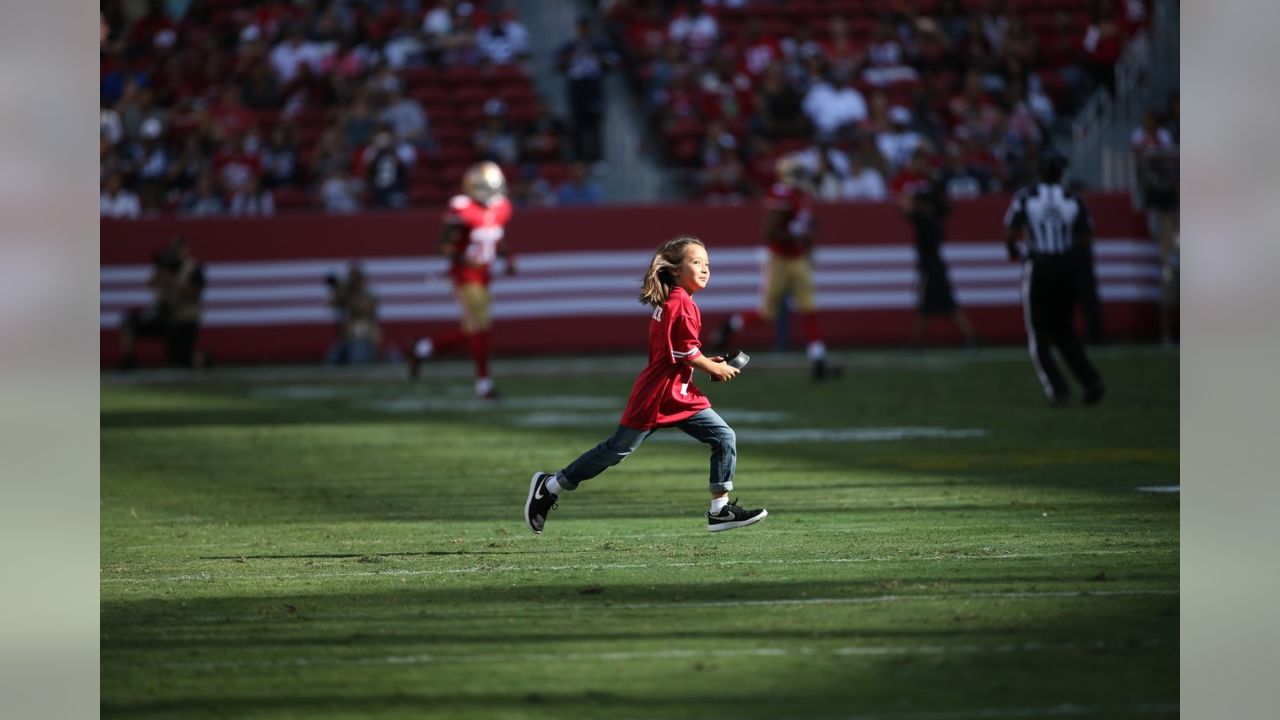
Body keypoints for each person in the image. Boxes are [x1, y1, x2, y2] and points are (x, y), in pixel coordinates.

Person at [524, 235, 768, 535]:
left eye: (707, 264)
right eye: (696, 263)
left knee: (723, 437)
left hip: (677, 393)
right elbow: (685, 352)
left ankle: (720, 510)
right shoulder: (681, 303)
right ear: (676, 270)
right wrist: (713, 366)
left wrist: (708, 362)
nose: (705, 269)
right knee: (615, 451)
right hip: (657, 395)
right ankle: (550, 486)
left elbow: (681, 351)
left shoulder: (680, 301)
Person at [713, 155, 837, 379]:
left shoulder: (802, 195)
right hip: (779, 259)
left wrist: (807, 243)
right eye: (798, 173)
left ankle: (818, 361)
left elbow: (806, 228)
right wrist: (796, 235)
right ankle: (729, 325)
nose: (802, 178)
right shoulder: (782, 193)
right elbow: (770, 232)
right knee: (766, 314)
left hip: (797, 259)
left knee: (809, 310)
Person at [407, 161, 517, 399]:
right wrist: (465, 259)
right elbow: (442, 247)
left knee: (473, 330)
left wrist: (507, 258)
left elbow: (493, 240)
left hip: (484, 275)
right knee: (480, 328)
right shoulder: (462, 209)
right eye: (488, 187)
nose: (492, 193)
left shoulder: (502, 208)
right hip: (465, 275)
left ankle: (423, 349)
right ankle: (484, 384)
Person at [1004, 154, 1106, 406]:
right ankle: (1091, 381)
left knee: (1039, 334)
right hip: (1066, 267)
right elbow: (1086, 236)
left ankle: (1058, 390)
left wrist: (1016, 252)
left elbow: (1010, 231)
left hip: (1039, 267)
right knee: (1064, 330)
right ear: (1061, 173)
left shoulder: (1025, 197)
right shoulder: (1072, 197)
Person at [892, 148, 980, 348]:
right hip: (931, 256)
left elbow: (941, 206)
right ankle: (966, 335)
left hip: (931, 258)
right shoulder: (927, 209)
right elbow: (907, 205)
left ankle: (918, 341)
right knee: (940, 302)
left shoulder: (928, 207)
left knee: (931, 302)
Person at [118, 235, 205, 369]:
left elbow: (193, 294)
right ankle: (128, 360)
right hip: (163, 317)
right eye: (173, 249)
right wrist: (161, 271)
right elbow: (149, 284)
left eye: (178, 249)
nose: (175, 252)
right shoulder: (165, 267)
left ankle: (202, 358)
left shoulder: (194, 268)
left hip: (184, 321)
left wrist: (172, 281)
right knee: (128, 322)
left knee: (182, 361)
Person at [556, 16, 617, 164]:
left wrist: (597, 56)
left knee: (595, 124)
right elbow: (557, 64)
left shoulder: (599, 45)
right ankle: (581, 157)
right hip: (577, 88)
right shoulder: (570, 46)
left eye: (585, 27)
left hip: (593, 87)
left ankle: (597, 157)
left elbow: (613, 62)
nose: (583, 31)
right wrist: (570, 58)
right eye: (581, 28)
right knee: (578, 124)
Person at [324, 263, 381, 365]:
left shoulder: (368, 295)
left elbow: (365, 309)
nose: (353, 281)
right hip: (347, 335)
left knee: (358, 360)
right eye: (351, 278)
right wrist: (337, 291)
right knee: (332, 361)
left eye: (356, 278)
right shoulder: (345, 293)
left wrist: (349, 298)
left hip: (364, 334)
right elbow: (329, 304)